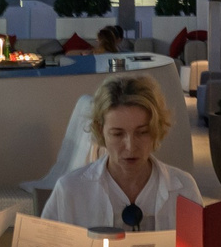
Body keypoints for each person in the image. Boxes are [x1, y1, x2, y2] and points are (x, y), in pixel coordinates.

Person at [40, 74, 202, 234]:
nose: (131, 147)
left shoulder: (184, 189)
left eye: (142, 132)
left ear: (156, 130)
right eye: (118, 134)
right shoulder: (70, 190)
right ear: (100, 131)